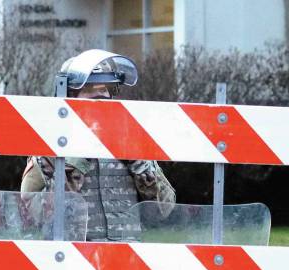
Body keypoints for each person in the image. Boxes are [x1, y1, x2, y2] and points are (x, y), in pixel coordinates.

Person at [20, 49, 176, 244]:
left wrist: (141, 165)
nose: (100, 95)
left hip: (125, 261)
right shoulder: (50, 147)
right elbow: (33, 214)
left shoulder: (130, 140)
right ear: (71, 95)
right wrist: (73, 165)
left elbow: (162, 211)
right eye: (91, 88)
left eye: (105, 88)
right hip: (72, 260)